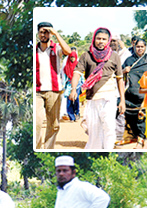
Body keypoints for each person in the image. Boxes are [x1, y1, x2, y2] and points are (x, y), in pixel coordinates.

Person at [70, 27, 125, 150]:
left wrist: (122, 100)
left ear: (108, 41)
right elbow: (77, 73)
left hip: (109, 97)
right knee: (94, 131)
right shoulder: (86, 56)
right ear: (94, 39)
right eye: (98, 38)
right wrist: (73, 89)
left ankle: (108, 152)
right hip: (92, 98)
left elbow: (120, 79)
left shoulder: (114, 57)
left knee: (109, 127)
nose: (101, 41)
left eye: (104, 39)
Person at [35, 21, 72, 149]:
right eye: (41, 32)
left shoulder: (56, 48)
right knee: (38, 122)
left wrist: (56, 33)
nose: (44, 35)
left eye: (46, 32)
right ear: (38, 33)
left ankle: (48, 149)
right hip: (38, 91)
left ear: (50, 34)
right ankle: (38, 147)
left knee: (53, 124)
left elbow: (68, 52)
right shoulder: (34, 49)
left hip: (54, 90)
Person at [118, 39, 147, 148]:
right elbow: (118, 74)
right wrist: (124, 70)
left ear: (145, 47)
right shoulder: (129, 60)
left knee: (141, 116)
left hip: (144, 93)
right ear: (134, 47)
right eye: (138, 47)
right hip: (130, 92)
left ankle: (141, 138)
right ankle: (130, 136)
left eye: (142, 46)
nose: (140, 49)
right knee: (129, 115)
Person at [62, 49, 82, 122]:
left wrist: (82, 83)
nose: (72, 59)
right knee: (69, 102)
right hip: (69, 85)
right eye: (71, 57)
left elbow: (81, 75)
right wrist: (63, 85)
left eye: (73, 57)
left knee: (76, 100)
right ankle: (71, 117)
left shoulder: (78, 66)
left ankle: (77, 113)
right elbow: (65, 77)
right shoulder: (66, 67)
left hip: (77, 84)